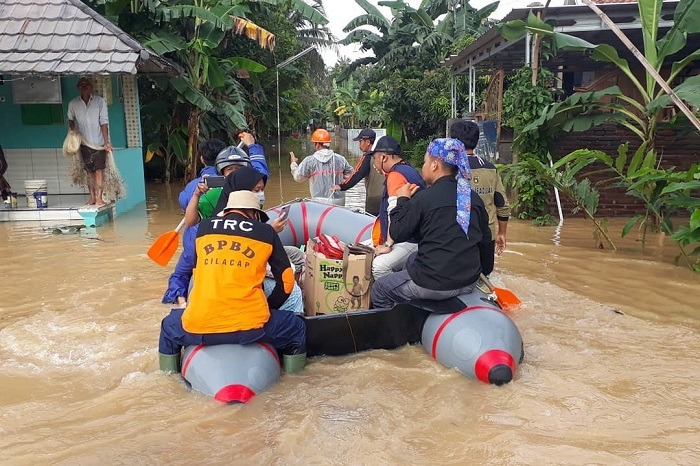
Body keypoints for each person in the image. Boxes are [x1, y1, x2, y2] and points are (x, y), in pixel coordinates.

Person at [158, 190, 307, 373]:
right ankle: (294, 378)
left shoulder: (204, 228)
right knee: (297, 327)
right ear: (254, 214)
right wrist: (268, 307)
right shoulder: (266, 232)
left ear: (227, 211)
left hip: (199, 324)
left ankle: (169, 377)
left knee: (168, 326)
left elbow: (198, 273)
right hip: (250, 326)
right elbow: (286, 282)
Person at [370, 138, 494, 309]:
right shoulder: (473, 198)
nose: (424, 167)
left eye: (425, 161)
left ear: (435, 165)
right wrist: (483, 272)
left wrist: (402, 200)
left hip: (436, 284)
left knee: (380, 289)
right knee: (413, 259)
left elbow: (398, 233)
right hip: (468, 281)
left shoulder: (424, 198)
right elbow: (486, 242)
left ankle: (399, 332)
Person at [162, 139, 226, 305]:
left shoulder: (193, 186)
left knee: (179, 275)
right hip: (222, 247)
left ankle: (181, 301)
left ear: (202, 159)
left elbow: (183, 202)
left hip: (194, 247)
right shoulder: (231, 183)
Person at [367, 136, 425, 279]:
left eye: (375, 158)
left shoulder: (395, 175)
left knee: (379, 266)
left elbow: (394, 214)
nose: (374, 163)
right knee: (362, 247)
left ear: (384, 158)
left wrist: (387, 244)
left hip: (410, 240)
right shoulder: (408, 168)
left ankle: (392, 297)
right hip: (412, 235)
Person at [449, 120, 510, 256]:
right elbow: (502, 204)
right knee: (485, 272)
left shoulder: (450, 169)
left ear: (455, 142)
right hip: (486, 234)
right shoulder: (490, 168)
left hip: (457, 235)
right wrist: (501, 233)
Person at [67, 77, 111, 206]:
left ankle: (99, 198)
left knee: (99, 170)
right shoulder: (73, 104)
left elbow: (104, 123)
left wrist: (106, 142)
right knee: (88, 172)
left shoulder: (99, 102)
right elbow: (70, 119)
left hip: (98, 142)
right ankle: (92, 197)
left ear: (91, 87)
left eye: (87, 84)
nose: (84, 86)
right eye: (82, 84)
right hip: (83, 143)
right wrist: (74, 132)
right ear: (78, 88)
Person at [290, 129, 353, 205]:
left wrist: (293, 163)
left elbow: (298, 178)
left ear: (317, 144)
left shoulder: (309, 161)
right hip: (339, 201)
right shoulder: (341, 159)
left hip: (318, 202)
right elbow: (351, 176)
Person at [331, 128, 384, 215]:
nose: (359, 145)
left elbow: (356, 174)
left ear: (367, 142)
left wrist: (341, 186)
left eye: (360, 141)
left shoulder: (367, 157)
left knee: (372, 225)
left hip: (374, 201)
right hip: (389, 198)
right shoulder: (386, 155)